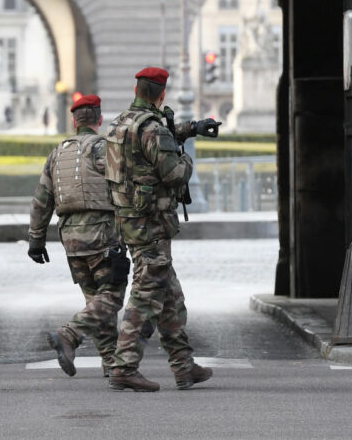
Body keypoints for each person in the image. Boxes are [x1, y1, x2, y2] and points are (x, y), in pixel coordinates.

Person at [103, 67, 220, 392]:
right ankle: (124, 365)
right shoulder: (152, 128)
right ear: (162, 94)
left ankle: (184, 367)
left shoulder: (121, 123)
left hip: (130, 221)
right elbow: (173, 173)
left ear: (137, 89)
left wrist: (190, 129)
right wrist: (188, 161)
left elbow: (148, 145)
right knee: (146, 294)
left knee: (170, 297)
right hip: (152, 224)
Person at [27, 94, 128, 378]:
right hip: (102, 236)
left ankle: (111, 362)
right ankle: (70, 334)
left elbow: (41, 200)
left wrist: (36, 239)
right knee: (111, 297)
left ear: (74, 121)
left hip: (71, 240)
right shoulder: (106, 149)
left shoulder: (57, 153)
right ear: (99, 120)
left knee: (95, 301)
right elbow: (124, 192)